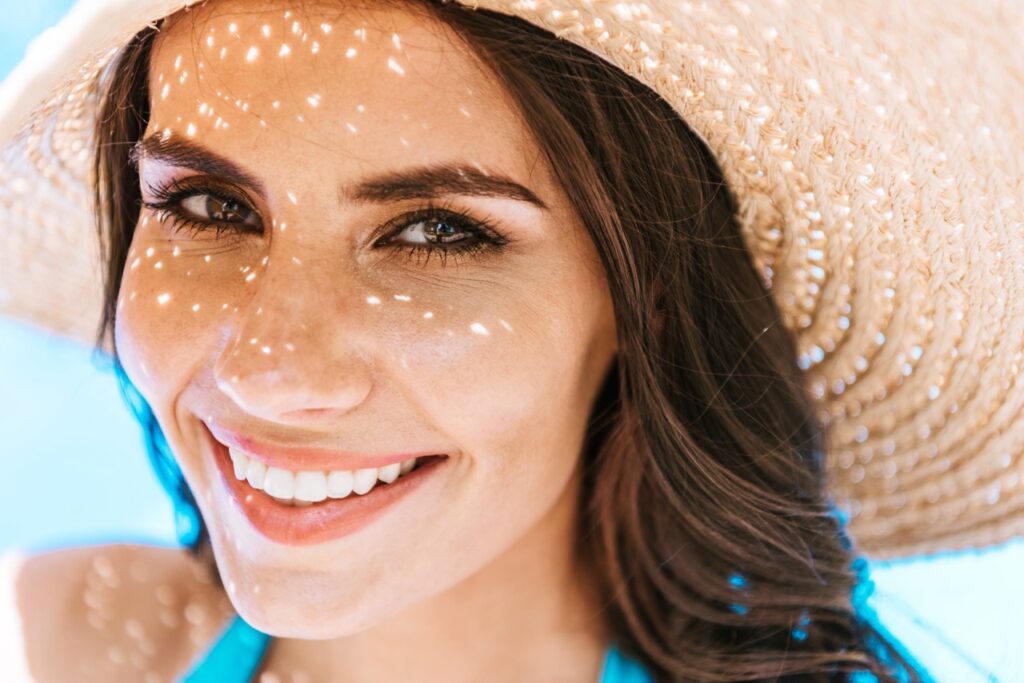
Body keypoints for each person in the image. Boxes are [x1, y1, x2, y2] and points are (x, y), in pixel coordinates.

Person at [2, 0, 1021, 680]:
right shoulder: (55, 641)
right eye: (210, 204)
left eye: (437, 230)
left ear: (647, 298)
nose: (270, 372)